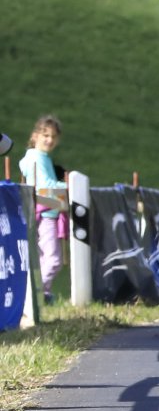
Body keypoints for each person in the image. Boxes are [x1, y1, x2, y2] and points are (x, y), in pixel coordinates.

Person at [19, 115, 69, 303]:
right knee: (54, 260)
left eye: (53, 136)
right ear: (35, 136)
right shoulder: (36, 158)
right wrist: (69, 186)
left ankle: (40, 295)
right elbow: (44, 185)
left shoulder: (42, 157)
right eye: (45, 135)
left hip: (45, 210)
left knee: (42, 259)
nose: (49, 140)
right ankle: (36, 294)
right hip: (46, 212)